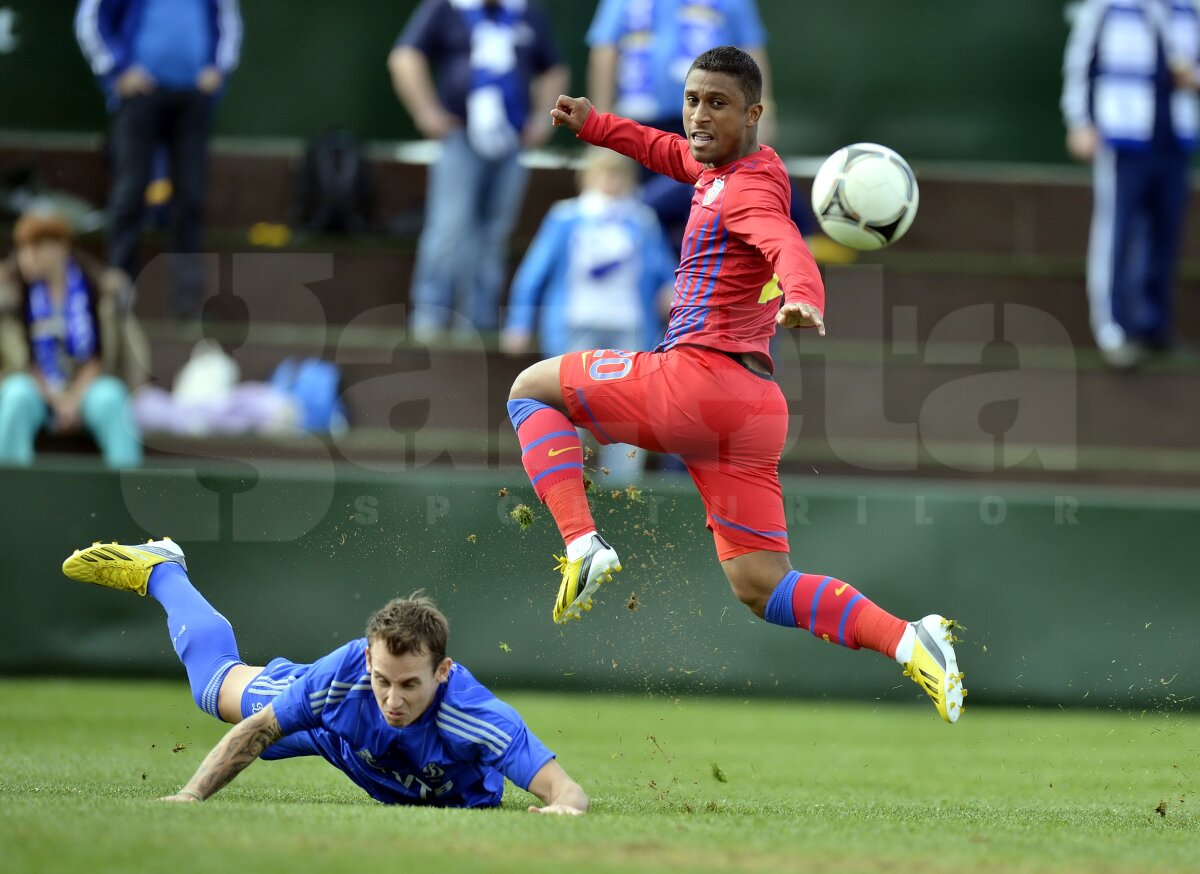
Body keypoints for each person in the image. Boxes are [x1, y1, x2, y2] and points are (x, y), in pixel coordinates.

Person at [504, 47, 966, 724]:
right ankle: (908, 639)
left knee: (531, 388)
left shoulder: (746, 189)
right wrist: (596, 123)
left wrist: (805, 295)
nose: (698, 115)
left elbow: (786, 244)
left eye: (716, 104)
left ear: (754, 115)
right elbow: (665, 150)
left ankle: (581, 542)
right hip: (750, 409)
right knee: (761, 586)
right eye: (693, 100)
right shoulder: (731, 168)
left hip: (696, 381)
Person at [60, 537, 589, 813]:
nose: (392, 698)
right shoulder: (343, 678)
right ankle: (163, 569)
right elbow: (258, 728)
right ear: (366, 662)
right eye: (383, 679)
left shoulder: (477, 718)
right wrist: (190, 796)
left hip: (377, 758)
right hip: (333, 731)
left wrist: (563, 811)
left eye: (410, 684)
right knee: (214, 688)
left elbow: (568, 794)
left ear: (443, 672)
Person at [387, 0, 568, 339]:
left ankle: (478, 320)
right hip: (460, 135)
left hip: (511, 140)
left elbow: (553, 68)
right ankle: (431, 316)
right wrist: (425, 111)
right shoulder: (446, 8)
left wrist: (543, 119)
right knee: (450, 227)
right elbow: (405, 56)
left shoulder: (527, 12)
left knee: (494, 232)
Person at [501, 147, 675, 481]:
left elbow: (663, 270)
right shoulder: (566, 217)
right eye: (603, 173)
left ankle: (622, 485)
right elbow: (534, 272)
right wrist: (519, 322)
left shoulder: (641, 220)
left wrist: (669, 290)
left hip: (629, 329)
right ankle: (566, 482)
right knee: (568, 405)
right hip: (574, 328)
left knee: (628, 411)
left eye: (618, 174)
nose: (611, 182)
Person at [74, 0, 244, 320]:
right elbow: (90, 19)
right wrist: (117, 69)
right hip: (139, 97)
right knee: (129, 195)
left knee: (190, 198)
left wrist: (217, 69)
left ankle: (187, 306)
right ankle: (119, 300)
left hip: (193, 99)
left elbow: (229, 21)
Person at [1061, 0, 1200, 369]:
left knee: (1166, 233)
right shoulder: (1106, 6)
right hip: (1123, 135)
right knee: (1115, 232)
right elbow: (1080, 62)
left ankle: (1154, 324)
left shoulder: (1189, 8)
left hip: (1174, 137)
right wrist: (1079, 120)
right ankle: (1113, 326)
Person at [0, 210, 145, 468]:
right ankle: (11, 495)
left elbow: (99, 355)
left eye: (36, 248)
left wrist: (73, 400)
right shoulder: (13, 292)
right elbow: (21, 359)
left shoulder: (94, 287)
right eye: (23, 249)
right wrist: (57, 401)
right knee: (15, 396)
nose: (27, 258)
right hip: (37, 388)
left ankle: (128, 495)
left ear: (60, 248)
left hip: (86, 387)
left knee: (112, 399)